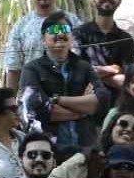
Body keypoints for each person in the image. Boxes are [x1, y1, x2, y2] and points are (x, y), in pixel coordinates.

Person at [18, 11, 103, 155]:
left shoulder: (84, 67)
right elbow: (37, 110)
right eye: (53, 30)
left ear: (71, 37)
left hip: (86, 149)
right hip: (49, 152)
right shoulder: (32, 69)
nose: (60, 34)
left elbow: (101, 101)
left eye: (64, 29)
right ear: (43, 39)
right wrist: (82, 110)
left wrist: (57, 100)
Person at [3, 0, 80, 88]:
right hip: (32, 94)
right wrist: (10, 103)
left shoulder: (73, 21)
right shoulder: (21, 26)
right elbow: (13, 68)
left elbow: (83, 59)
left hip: (70, 93)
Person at [75, 0, 134, 100]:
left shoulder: (126, 39)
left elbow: (128, 81)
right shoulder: (79, 34)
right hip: (86, 104)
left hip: (117, 105)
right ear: (92, 0)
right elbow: (76, 73)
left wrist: (93, 74)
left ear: (119, 2)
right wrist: (114, 69)